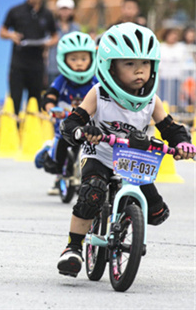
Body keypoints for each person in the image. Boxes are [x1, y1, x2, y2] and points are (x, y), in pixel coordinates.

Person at [56, 23, 195, 277]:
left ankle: (128, 223)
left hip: (133, 159)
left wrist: (182, 143)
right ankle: (73, 248)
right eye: (129, 64)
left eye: (145, 63)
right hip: (100, 154)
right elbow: (72, 121)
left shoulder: (151, 100)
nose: (139, 70)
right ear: (110, 66)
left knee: (157, 212)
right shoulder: (99, 94)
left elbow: (170, 127)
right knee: (92, 193)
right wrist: (81, 131)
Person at [35, 32, 98, 195]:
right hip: (64, 127)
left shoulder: (95, 82)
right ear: (64, 60)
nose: (79, 64)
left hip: (88, 128)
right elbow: (50, 96)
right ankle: (54, 163)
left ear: (92, 58)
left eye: (84, 59)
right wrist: (51, 108)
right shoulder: (62, 80)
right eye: (73, 59)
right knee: (59, 155)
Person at [0, 0, 59, 115]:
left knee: (36, 102)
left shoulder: (48, 14)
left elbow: (55, 36)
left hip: (37, 64)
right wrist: (11, 35)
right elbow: (2, 32)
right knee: (15, 101)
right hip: (18, 64)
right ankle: (15, 132)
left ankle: (34, 133)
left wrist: (48, 43)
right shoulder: (15, 11)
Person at [46, 0, 81, 86]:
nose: (65, 12)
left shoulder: (76, 28)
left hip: (72, 67)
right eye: (62, 9)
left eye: (67, 9)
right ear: (58, 10)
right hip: (54, 67)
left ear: (72, 11)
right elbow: (45, 44)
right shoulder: (51, 26)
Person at [157, 28, 187, 108]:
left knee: (176, 96)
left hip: (176, 76)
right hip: (164, 76)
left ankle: (175, 110)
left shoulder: (181, 47)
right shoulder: (161, 46)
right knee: (163, 95)